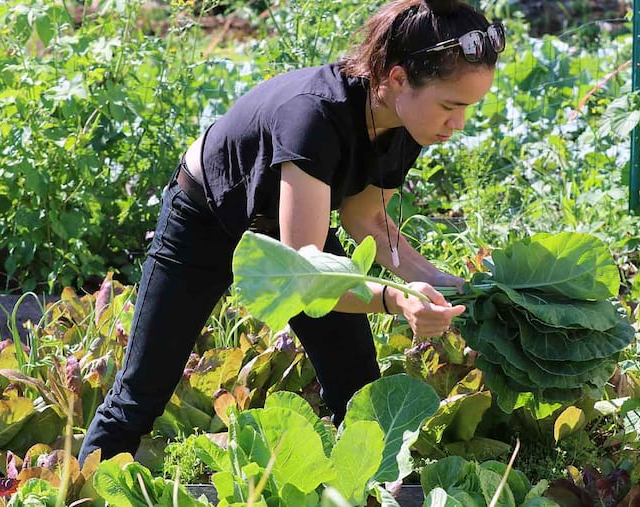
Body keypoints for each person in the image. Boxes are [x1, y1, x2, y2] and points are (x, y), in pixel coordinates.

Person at [79, 0, 505, 463]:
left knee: (357, 384)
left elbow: (368, 222)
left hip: (298, 233)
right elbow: (304, 276)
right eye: (451, 106)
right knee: (140, 395)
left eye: (469, 109)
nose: (458, 124)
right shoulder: (315, 116)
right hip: (205, 220)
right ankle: (77, 490)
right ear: (398, 78)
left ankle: (361, 489)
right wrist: (396, 299)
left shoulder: (405, 121)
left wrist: (447, 284)